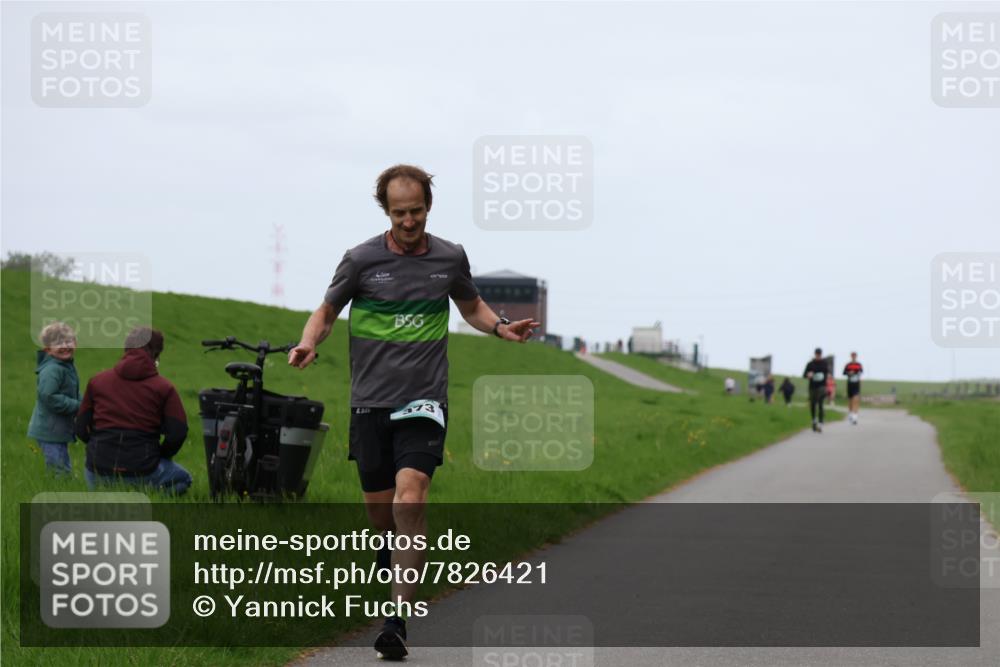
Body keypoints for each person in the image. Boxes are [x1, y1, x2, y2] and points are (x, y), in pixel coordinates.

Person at [288, 164, 538, 660]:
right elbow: (326, 312)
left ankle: (396, 621)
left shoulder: (449, 257)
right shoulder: (360, 260)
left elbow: (471, 306)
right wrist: (307, 341)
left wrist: (500, 327)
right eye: (400, 213)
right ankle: (390, 549)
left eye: (417, 211)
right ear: (386, 211)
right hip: (370, 403)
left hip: (424, 400)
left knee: (411, 498)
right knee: (382, 514)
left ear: (429, 206)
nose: (409, 221)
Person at [75, 327, 192, 495]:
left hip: (97, 471)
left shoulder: (97, 381)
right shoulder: (164, 388)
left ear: (126, 349)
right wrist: (161, 455)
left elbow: (80, 427)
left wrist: (98, 444)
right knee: (183, 479)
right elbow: (178, 432)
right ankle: (149, 499)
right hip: (143, 470)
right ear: (156, 354)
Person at [28, 322, 81, 476]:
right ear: (48, 349)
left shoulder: (66, 366)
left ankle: (63, 485)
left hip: (58, 428)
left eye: (68, 341)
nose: (65, 345)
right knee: (58, 468)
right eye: (58, 343)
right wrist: (77, 405)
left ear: (75, 343)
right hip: (49, 430)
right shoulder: (53, 369)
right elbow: (48, 396)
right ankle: (57, 491)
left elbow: (72, 393)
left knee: (62, 464)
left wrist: (88, 402)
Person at [803, 347, 829, 432]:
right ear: (815, 354)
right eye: (817, 354)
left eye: (819, 354)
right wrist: (808, 375)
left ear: (821, 354)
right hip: (812, 386)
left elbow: (827, 373)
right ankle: (814, 420)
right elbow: (804, 375)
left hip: (821, 386)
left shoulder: (824, 363)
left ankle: (820, 423)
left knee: (820, 403)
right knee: (813, 404)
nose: (818, 355)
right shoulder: (810, 364)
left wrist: (823, 376)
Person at [843, 352, 864, 425]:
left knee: (856, 400)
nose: (853, 357)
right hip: (850, 384)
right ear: (851, 357)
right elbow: (844, 372)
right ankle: (850, 414)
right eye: (852, 356)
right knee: (850, 401)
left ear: (856, 357)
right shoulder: (848, 365)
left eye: (854, 356)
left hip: (856, 384)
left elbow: (861, 372)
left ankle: (855, 417)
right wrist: (849, 373)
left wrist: (855, 372)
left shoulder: (859, 365)